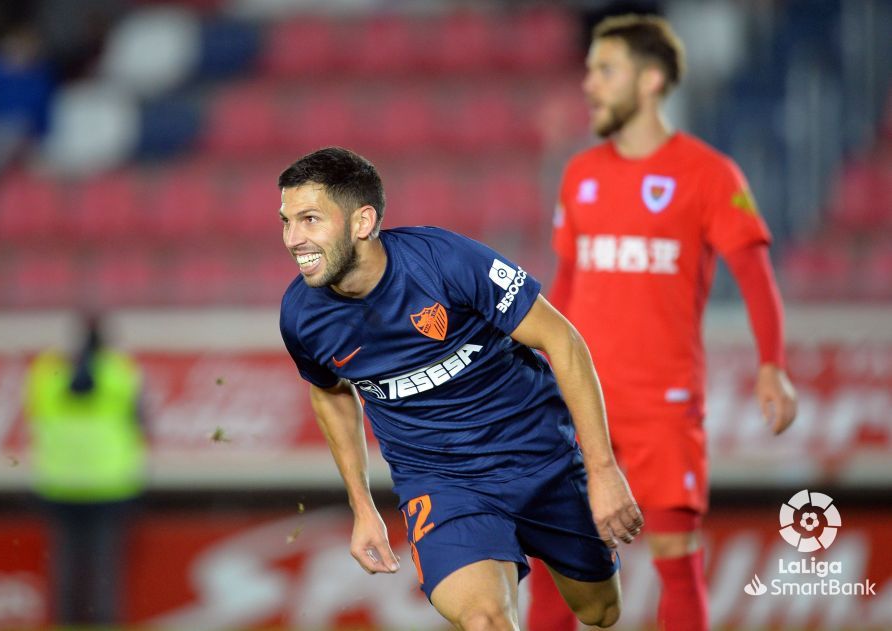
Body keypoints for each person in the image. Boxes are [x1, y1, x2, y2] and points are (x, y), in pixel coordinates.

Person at [278, 147, 643, 630]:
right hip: (443, 484)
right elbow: (329, 392)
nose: (293, 239)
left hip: (541, 460)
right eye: (286, 221)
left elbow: (563, 340)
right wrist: (362, 506)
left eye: (309, 220)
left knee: (601, 612)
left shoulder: (447, 262)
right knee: (485, 620)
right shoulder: (302, 317)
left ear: (361, 222)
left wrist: (602, 470)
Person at [527, 14, 798, 631]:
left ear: (651, 81)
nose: (589, 84)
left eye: (605, 70)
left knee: (676, 559)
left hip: (663, 404)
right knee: (556, 558)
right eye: (590, 69)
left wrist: (772, 365)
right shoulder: (580, 175)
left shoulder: (709, 174)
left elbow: (757, 278)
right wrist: (535, 369)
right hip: (580, 400)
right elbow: (565, 291)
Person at [23, 314, 146, 626]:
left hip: (60, 481)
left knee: (64, 560)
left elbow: (34, 414)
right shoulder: (120, 371)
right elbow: (140, 421)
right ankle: (102, 621)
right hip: (109, 481)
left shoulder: (46, 371)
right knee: (104, 563)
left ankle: (66, 621)